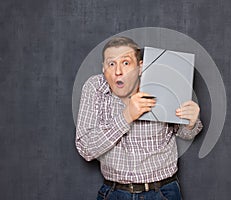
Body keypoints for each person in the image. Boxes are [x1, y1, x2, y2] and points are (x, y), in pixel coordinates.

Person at [75, 36, 203, 200]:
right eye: (111, 63)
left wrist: (190, 123)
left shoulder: (162, 83)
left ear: (140, 67)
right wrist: (127, 116)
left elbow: (183, 133)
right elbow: (86, 149)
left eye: (126, 63)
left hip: (162, 192)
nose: (118, 71)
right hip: (114, 192)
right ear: (103, 68)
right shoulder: (95, 88)